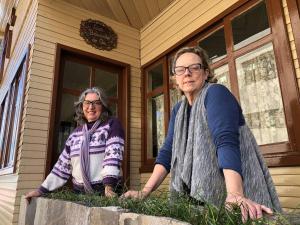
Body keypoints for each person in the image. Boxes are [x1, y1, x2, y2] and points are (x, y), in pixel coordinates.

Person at [123, 46, 281, 221]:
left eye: (194, 67)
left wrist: (235, 194)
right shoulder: (178, 110)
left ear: (206, 73)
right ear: (175, 78)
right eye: (180, 70)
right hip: (196, 201)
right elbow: (168, 153)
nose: (187, 73)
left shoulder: (216, 93)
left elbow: (225, 141)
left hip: (233, 192)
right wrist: (144, 192)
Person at [25, 87, 124, 203]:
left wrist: (109, 187)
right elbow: (62, 166)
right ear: (82, 107)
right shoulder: (75, 134)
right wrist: (42, 190)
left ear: (103, 106)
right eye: (87, 103)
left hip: (107, 193)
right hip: (80, 195)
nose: (91, 107)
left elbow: (113, 156)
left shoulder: (112, 124)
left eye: (96, 103)